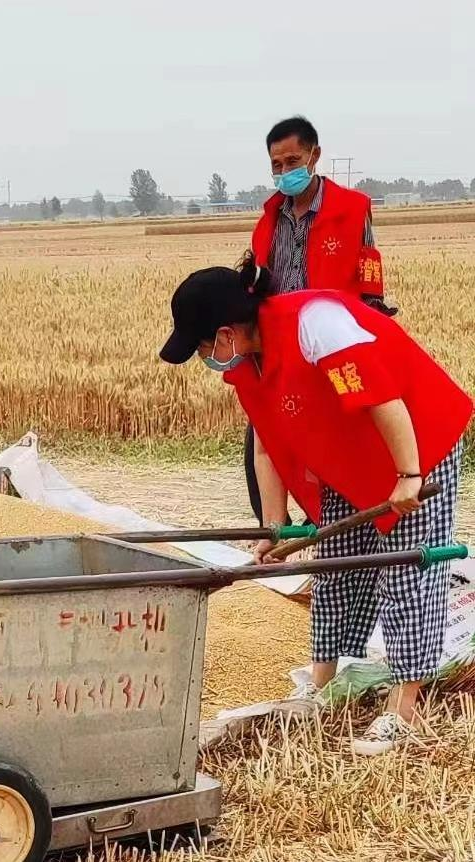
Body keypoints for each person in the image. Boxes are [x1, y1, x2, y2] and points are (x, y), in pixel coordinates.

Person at [160, 259, 471, 755]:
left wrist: (410, 475)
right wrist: (275, 527)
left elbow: (384, 399)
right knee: (334, 567)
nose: (203, 357)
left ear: (225, 333)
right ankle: (324, 684)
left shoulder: (315, 327)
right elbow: (267, 444)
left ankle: (402, 709)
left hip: (415, 441)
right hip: (347, 459)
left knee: (406, 571)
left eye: (200, 346)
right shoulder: (245, 365)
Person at [244, 116, 396, 527]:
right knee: (262, 447)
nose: (284, 172)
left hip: (331, 345)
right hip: (279, 349)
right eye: (276, 165)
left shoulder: (351, 209)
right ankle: (276, 532)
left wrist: (373, 333)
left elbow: (369, 278)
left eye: (292, 160)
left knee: (334, 450)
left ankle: (342, 531)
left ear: (315, 155)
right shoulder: (269, 220)